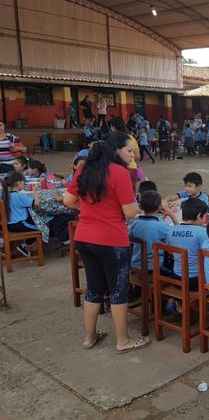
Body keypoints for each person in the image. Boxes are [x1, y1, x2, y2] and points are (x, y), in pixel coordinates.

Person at [63, 131, 151, 353]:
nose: (133, 154)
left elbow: (68, 200)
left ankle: (89, 337)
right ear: (116, 150)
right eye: (129, 150)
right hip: (112, 240)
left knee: (93, 288)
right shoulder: (119, 172)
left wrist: (90, 211)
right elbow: (130, 212)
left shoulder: (85, 167)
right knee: (118, 290)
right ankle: (123, 341)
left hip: (84, 237)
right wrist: (143, 206)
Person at [165, 198, 209, 290]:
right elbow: (208, 255)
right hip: (195, 281)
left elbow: (170, 253)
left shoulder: (171, 230)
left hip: (176, 277)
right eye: (205, 216)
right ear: (199, 215)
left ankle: (174, 300)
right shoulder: (200, 232)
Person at [129, 190, 177, 273]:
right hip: (154, 269)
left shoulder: (135, 223)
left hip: (135, 265)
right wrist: (171, 214)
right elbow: (178, 235)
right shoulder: (162, 226)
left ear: (140, 206)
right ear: (159, 207)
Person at [2, 171, 40, 256]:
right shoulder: (19, 196)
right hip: (20, 224)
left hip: (9, 225)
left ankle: (25, 245)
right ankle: (24, 246)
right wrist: (35, 191)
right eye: (23, 182)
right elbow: (36, 204)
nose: (24, 184)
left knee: (35, 225)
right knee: (41, 228)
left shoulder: (4, 195)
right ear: (18, 182)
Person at [110, 117, 141, 192]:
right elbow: (138, 156)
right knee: (131, 193)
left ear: (113, 127)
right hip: (132, 168)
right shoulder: (131, 138)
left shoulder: (112, 138)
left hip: (116, 170)